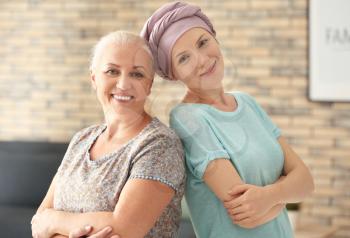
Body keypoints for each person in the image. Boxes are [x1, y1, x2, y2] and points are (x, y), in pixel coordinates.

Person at [140, 2, 314, 238]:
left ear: (215, 38)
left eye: (203, 42)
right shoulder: (187, 118)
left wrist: (270, 198)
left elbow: (307, 183)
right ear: (173, 74)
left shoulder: (247, 103)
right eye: (184, 58)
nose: (202, 60)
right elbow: (245, 211)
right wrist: (286, 190)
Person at [30, 31, 185, 238]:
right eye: (112, 71)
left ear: (149, 85)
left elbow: (124, 229)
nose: (123, 84)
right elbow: (39, 222)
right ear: (94, 78)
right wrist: (47, 224)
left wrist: (54, 222)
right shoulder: (81, 139)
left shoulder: (159, 144)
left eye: (137, 74)